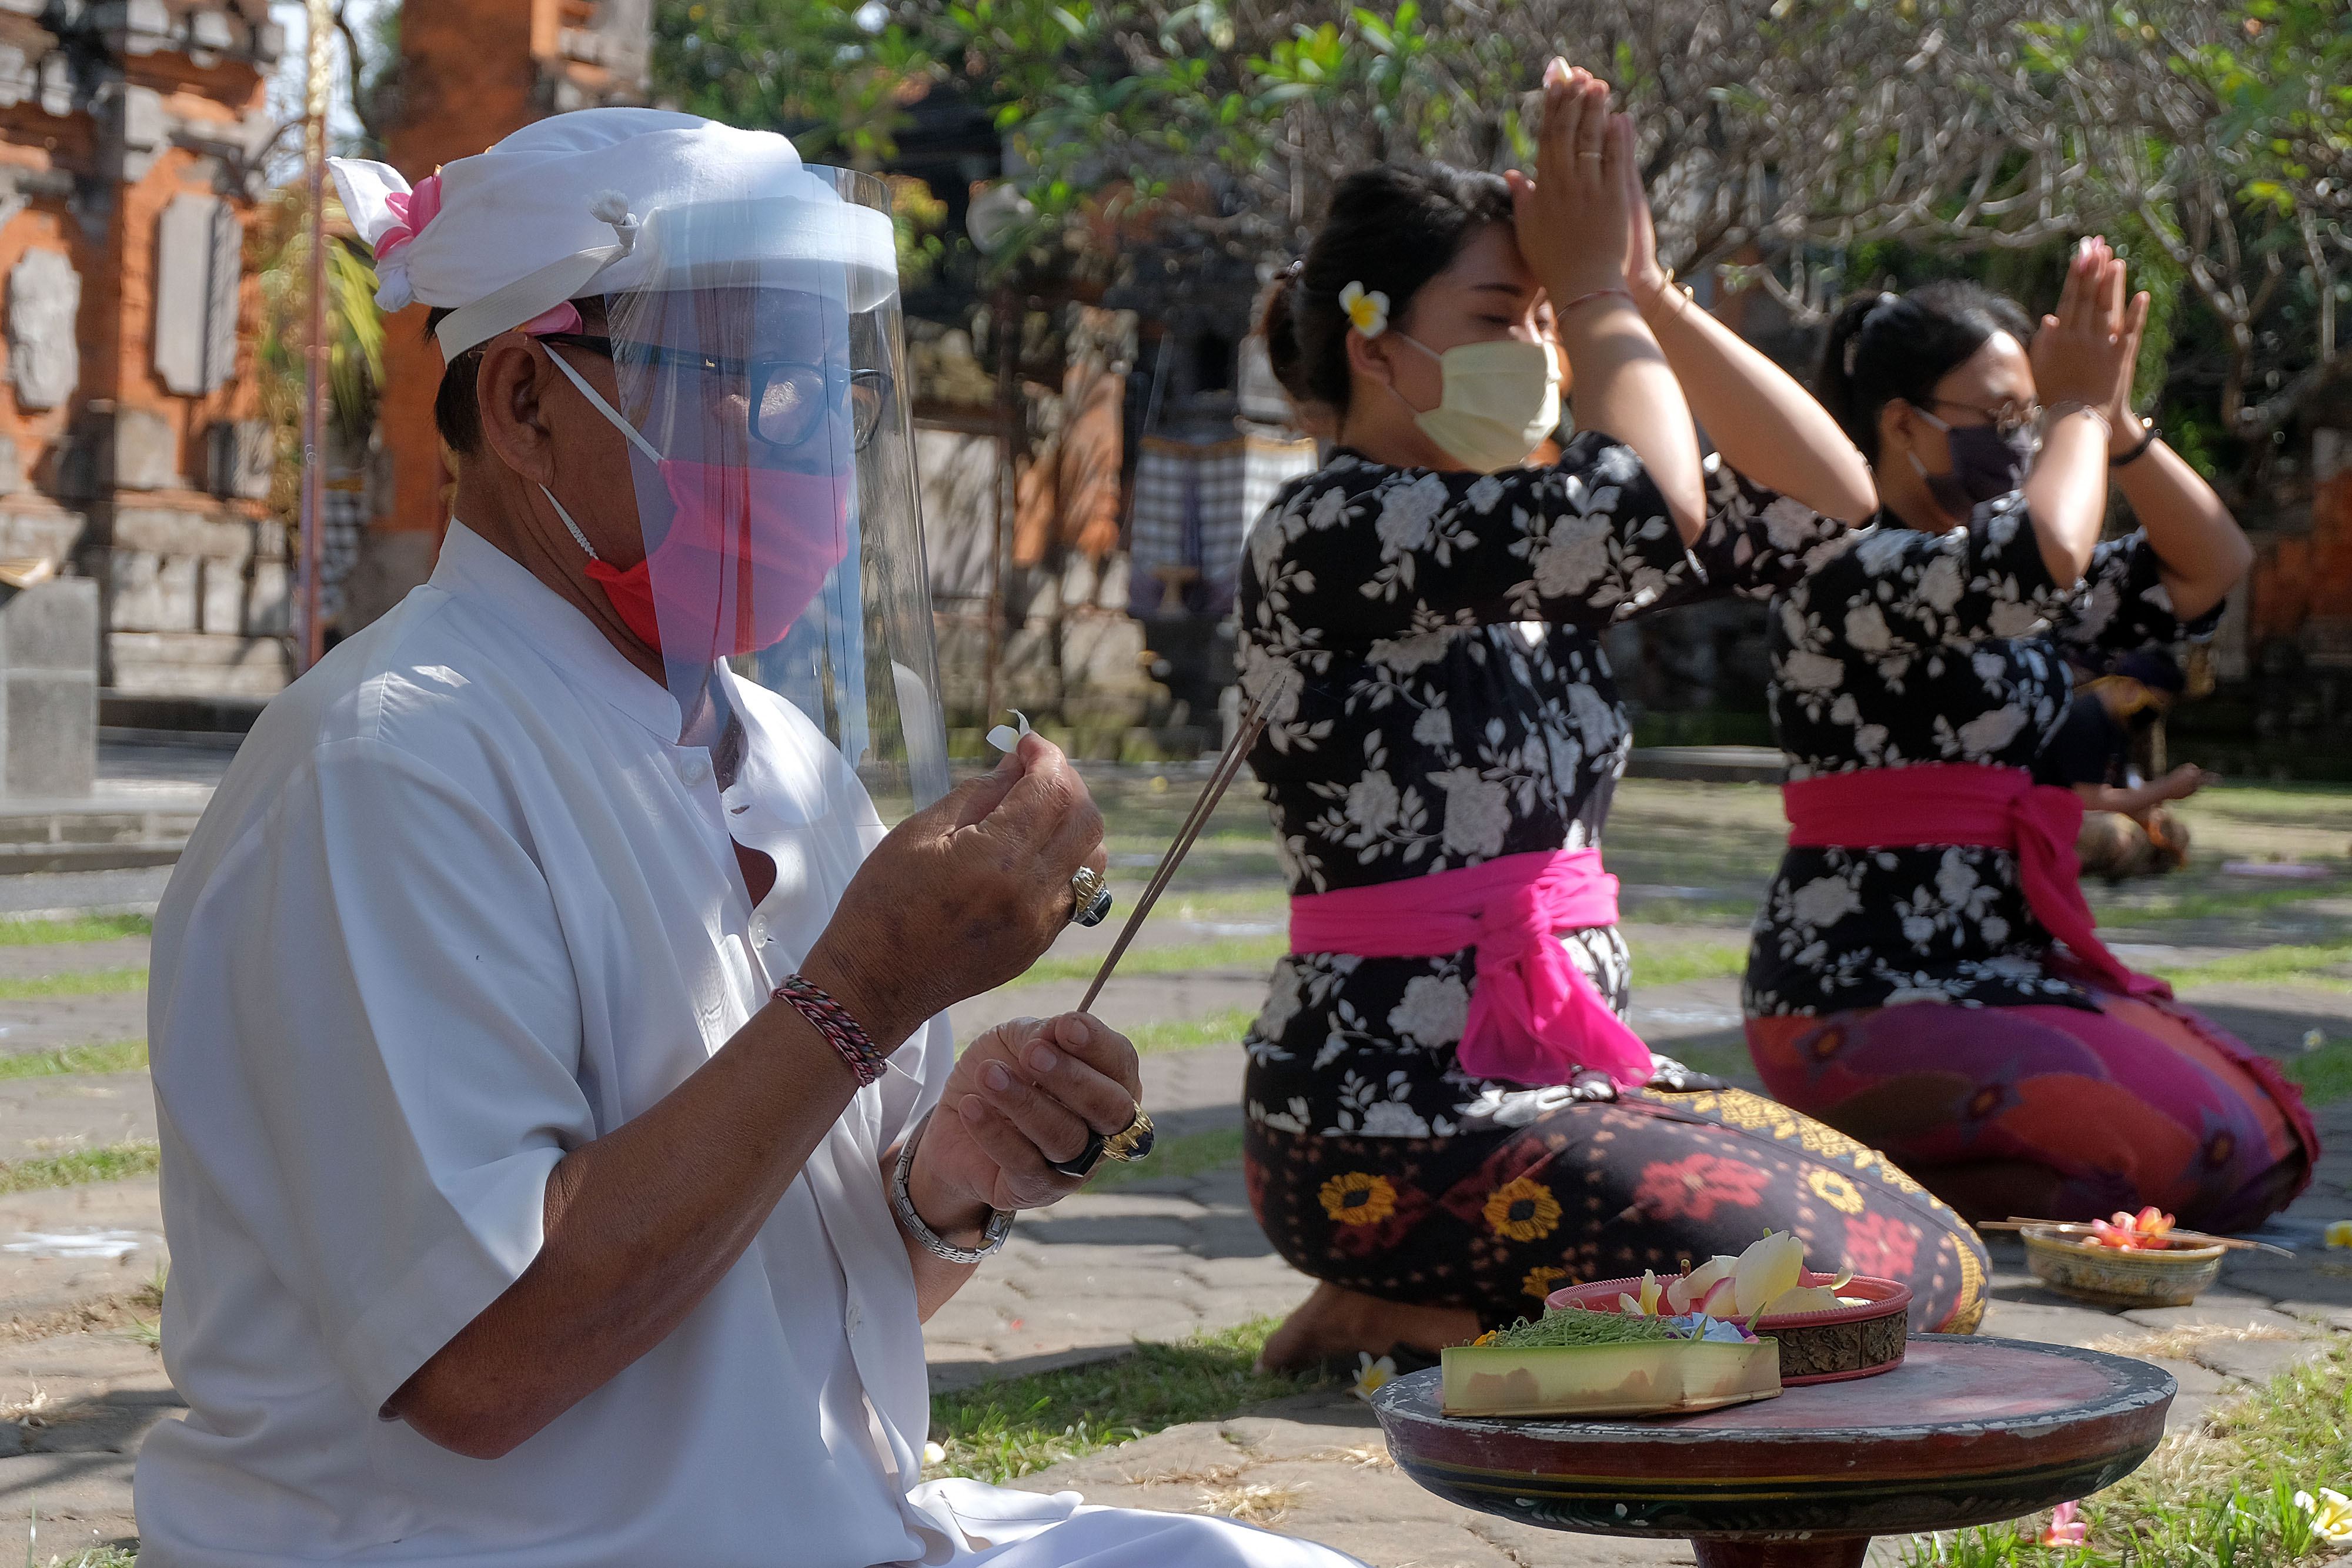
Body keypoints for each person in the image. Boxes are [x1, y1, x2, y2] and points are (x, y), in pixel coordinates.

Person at [135, 108, 1371, 1568]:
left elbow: (793, 1295)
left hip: (833, 1519)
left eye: (825, 397)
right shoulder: (394, 761)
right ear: (529, 403)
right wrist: (859, 996)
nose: (814, 457)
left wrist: (942, 1182)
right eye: (754, 389)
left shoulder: (774, 752)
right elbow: (484, 1364)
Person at [1235, 59, 1990, 1377]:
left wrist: (1641, 292)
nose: (1540, 355)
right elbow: (1638, 510)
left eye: (1543, 322)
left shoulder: (1528, 549)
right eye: (1501, 317)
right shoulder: (1325, 528)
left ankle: (1431, 1318)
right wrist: (1589, 298)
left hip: (1558, 1081)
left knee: (1933, 1268)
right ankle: (1412, 1304)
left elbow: (1824, 495)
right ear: (1371, 345)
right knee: (1866, 1300)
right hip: (1381, 1115)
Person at [1743, 247, 2318, 1231]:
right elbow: (2044, 555)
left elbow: (2210, 564)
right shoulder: (1844, 565)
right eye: (2001, 416)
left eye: (2031, 414)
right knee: (2190, 1148)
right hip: (1857, 990)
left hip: (2001, 972)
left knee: (2261, 1133)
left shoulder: (2011, 572)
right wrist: (2075, 416)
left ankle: (1934, 1179)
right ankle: (1915, 1180)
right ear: (1901, 422)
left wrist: (2118, 421)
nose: (2023, 437)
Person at [2037, 649, 2209, 878]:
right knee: (2114, 835)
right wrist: (2166, 788)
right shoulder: (2085, 718)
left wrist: (2153, 812)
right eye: (2157, 703)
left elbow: (2120, 789)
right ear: (2131, 688)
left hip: (2083, 812)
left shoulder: (2117, 724)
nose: (2155, 714)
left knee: (2172, 832)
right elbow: (2090, 800)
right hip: (2049, 816)